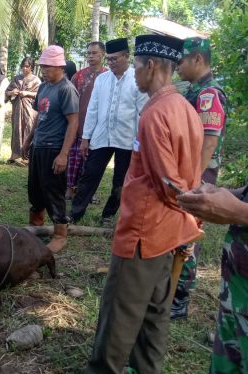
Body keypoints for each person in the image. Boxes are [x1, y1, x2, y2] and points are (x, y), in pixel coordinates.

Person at [64, 34, 203, 374]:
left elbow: (169, 183)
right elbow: (192, 174)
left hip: (145, 226)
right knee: (157, 304)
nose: (135, 74)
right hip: (170, 230)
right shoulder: (184, 108)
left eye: (138, 66)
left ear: (152, 66)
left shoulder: (155, 112)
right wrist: (188, 224)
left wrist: (188, 215)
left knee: (122, 302)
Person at [177, 18, 248, 374]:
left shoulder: (210, 94)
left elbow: (210, 140)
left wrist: (234, 211)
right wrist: (224, 193)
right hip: (242, 296)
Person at [170, 36, 228, 320]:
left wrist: (193, 180)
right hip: (188, 170)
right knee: (178, 231)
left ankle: (179, 299)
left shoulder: (209, 95)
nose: (178, 66)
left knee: (187, 235)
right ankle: (172, 289)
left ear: (197, 59)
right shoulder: (195, 90)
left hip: (198, 172)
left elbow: (208, 141)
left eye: (181, 60)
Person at [69, 38, 149, 227]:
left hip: (127, 139)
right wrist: (86, 137)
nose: (111, 63)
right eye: (109, 59)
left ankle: (108, 215)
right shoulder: (102, 79)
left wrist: (139, 143)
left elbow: (142, 113)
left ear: (126, 57)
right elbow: (93, 110)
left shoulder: (137, 80)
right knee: (90, 175)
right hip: (101, 137)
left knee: (121, 180)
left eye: (115, 59)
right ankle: (75, 212)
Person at [27, 45, 79, 253]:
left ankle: (60, 234)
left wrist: (63, 154)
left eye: (47, 66)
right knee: (35, 189)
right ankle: (35, 226)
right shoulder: (44, 87)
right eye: (42, 66)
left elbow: (73, 122)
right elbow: (39, 116)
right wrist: (28, 140)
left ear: (59, 66)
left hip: (54, 148)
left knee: (53, 191)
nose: (44, 70)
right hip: (38, 146)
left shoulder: (67, 89)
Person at [66, 42, 107, 200]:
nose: (90, 56)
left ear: (102, 55)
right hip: (78, 123)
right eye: (88, 53)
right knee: (73, 158)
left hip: (97, 127)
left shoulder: (107, 77)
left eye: (94, 53)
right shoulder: (78, 76)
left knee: (92, 163)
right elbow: (71, 100)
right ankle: (70, 188)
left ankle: (89, 192)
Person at [5, 57, 40, 165]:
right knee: (17, 130)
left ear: (32, 67)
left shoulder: (36, 80)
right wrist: (12, 92)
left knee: (28, 129)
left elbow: (39, 94)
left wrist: (27, 93)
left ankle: (27, 156)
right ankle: (16, 155)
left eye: (27, 66)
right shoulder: (16, 79)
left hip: (30, 110)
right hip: (17, 109)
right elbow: (7, 92)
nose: (24, 68)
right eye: (23, 66)